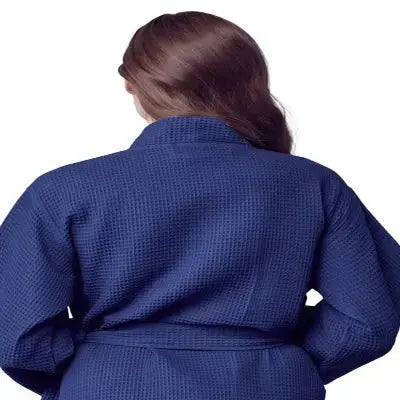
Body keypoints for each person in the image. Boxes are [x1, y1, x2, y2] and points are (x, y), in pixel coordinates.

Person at [0, 11, 399, 400]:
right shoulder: (313, 185)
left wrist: (95, 368)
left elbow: (17, 338)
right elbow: (367, 320)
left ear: (131, 86)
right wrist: (281, 362)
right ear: (250, 84)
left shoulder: (62, 190)